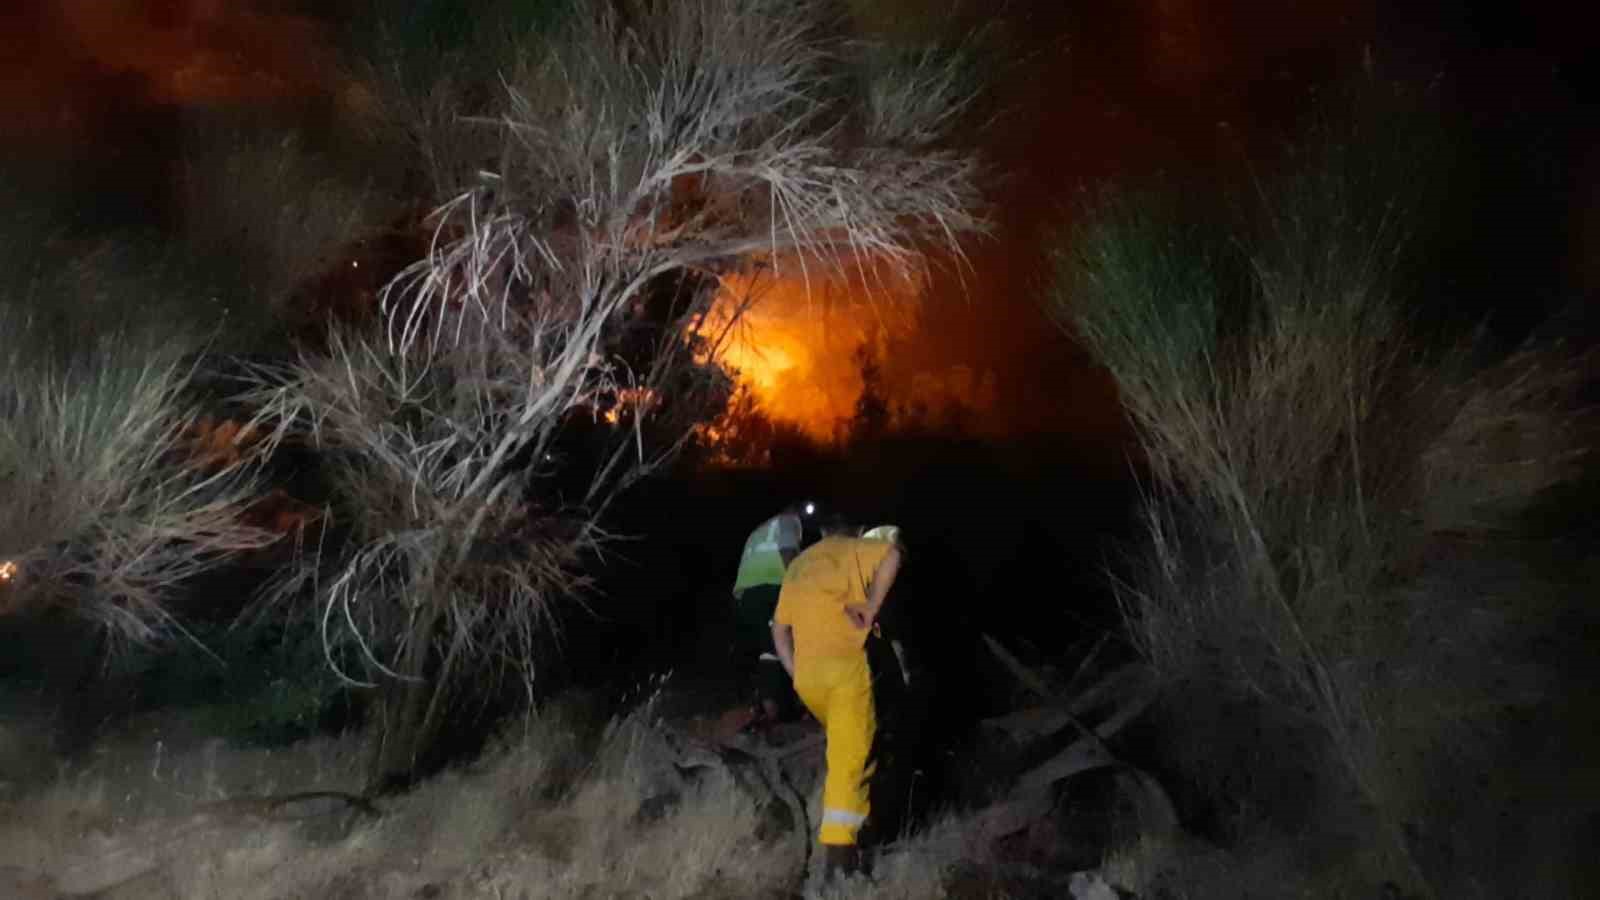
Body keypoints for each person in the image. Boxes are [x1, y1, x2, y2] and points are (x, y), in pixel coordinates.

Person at [770, 515, 904, 881]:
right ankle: (838, 869)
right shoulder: (855, 549)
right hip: (845, 673)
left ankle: (859, 839)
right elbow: (893, 554)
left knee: (855, 751)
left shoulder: (799, 565)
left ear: (823, 531)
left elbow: (779, 630)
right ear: (856, 531)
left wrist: (795, 672)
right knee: (849, 762)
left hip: (809, 679)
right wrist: (872, 606)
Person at [731, 501, 814, 724]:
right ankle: (775, 712)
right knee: (783, 644)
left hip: (746, 595)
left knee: (769, 648)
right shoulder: (789, 521)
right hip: (771, 587)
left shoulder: (761, 529)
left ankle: (765, 706)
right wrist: (802, 587)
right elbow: (787, 551)